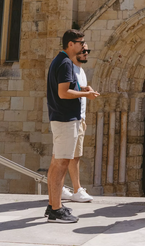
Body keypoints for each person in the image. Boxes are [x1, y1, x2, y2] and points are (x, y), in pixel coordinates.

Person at [45, 29, 99, 223]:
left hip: (61, 118)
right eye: (80, 42)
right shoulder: (66, 63)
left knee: (56, 162)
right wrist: (87, 95)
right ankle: (56, 210)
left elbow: (66, 88)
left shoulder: (59, 61)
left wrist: (80, 89)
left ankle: (53, 204)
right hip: (66, 119)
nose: (83, 46)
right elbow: (63, 93)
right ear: (70, 44)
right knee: (61, 164)